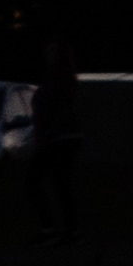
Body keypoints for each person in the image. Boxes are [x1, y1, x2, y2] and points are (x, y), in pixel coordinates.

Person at [25, 40, 82, 243]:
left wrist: (45, 133)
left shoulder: (59, 81)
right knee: (59, 184)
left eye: (51, 52)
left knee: (41, 181)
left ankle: (52, 229)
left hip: (57, 138)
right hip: (59, 137)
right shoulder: (60, 79)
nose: (47, 55)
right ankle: (67, 230)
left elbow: (57, 111)